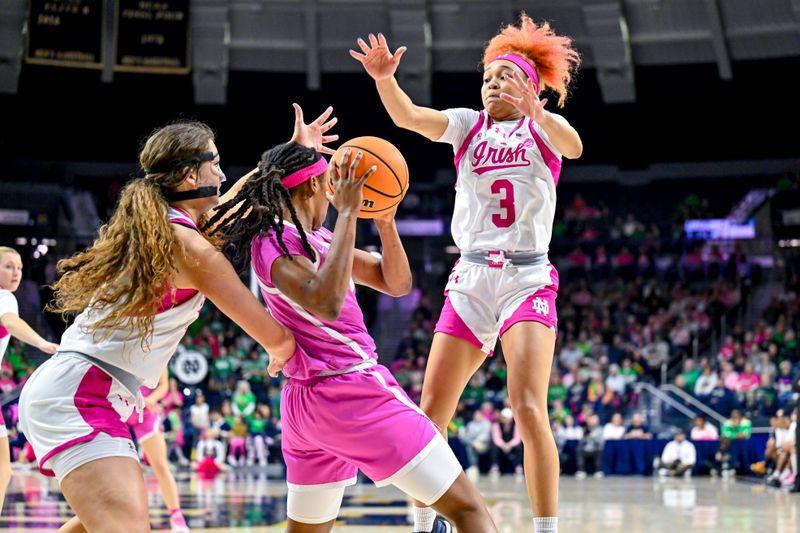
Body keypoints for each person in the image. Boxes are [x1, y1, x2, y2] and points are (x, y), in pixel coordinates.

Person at [16, 105, 337, 532]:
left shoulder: (168, 226)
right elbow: (273, 336)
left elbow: (238, 198)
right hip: (79, 396)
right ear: (190, 176)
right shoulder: (192, 249)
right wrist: (291, 352)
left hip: (85, 389)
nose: (223, 175)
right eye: (216, 163)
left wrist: (289, 153)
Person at [351, 12, 581, 533]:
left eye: (503, 76)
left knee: (526, 407)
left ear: (528, 83)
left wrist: (540, 116)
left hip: (526, 278)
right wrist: (386, 80)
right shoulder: (468, 125)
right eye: (486, 78)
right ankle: (423, 521)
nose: (491, 84)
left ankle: (547, 528)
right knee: (430, 410)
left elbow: (575, 146)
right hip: (472, 277)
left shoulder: (542, 133)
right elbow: (409, 118)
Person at [208, 142, 498, 532]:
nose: (334, 192)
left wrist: (384, 222)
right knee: (468, 510)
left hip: (308, 407)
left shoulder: (319, 239)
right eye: (328, 182)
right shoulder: (275, 242)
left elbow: (395, 282)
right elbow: (324, 302)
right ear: (311, 188)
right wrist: (347, 214)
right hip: (353, 390)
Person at [0, 246, 59, 513]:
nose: (16, 273)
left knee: (4, 469)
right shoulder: (4, 298)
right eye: (8, 266)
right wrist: (41, 342)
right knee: (2, 469)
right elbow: (11, 322)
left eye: (20, 268)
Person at [125, 368, 190, 532]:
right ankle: (120, 515)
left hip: (146, 410)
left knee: (161, 466)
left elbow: (163, 385)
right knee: (118, 469)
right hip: (120, 407)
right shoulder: (123, 343)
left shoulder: (160, 347)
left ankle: (177, 517)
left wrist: (150, 399)